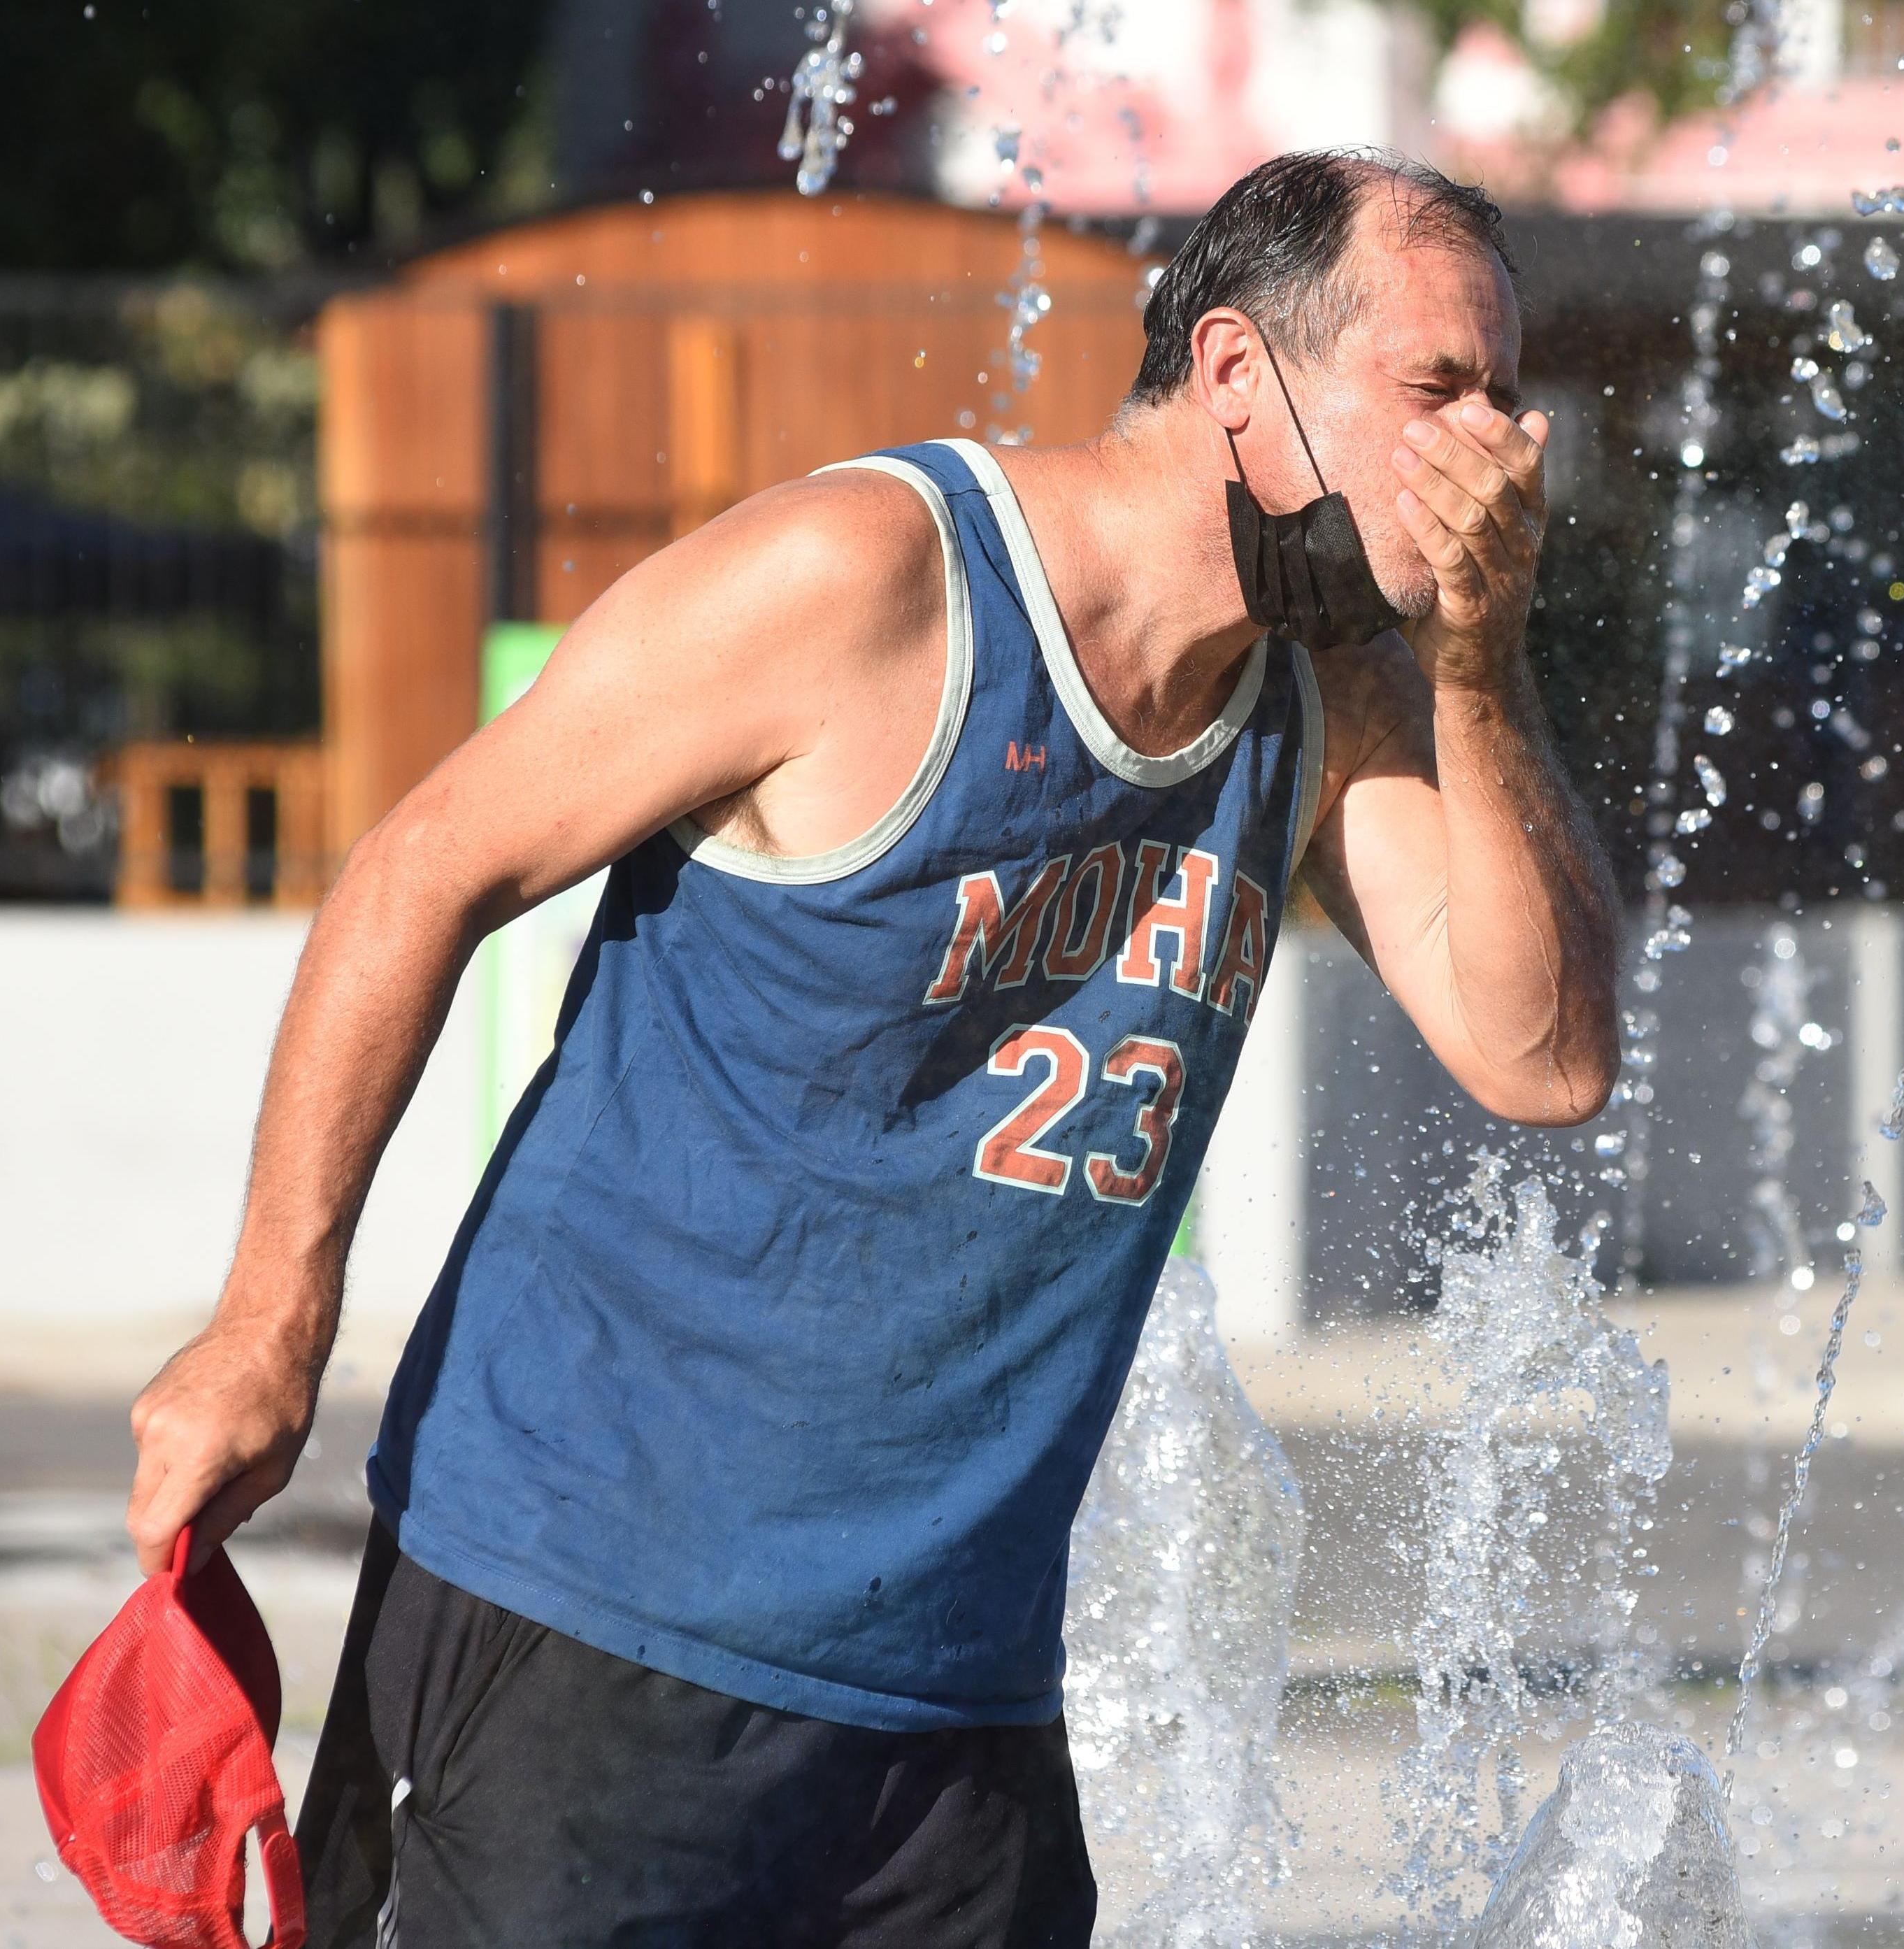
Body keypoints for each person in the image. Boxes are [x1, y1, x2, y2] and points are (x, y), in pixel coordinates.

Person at [117, 148, 1617, 1946]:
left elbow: (1547, 1058)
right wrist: (271, 1318)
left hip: (957, 1710)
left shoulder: (1332, 696)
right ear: (1237, 377)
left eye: (1507, 402)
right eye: (1438, 390)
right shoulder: (867, 579)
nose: (1496, 452)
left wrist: (1476, 660)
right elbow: (421, 868)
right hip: (596, 1609)